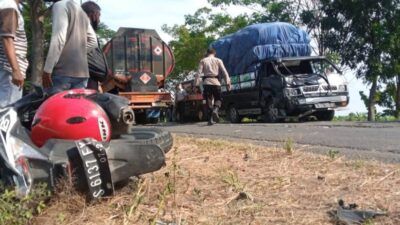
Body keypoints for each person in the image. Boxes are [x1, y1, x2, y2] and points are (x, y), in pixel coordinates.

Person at [42, 0, 97, 91]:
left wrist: (47, 69)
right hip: (82, 74)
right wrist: (78, 53)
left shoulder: (60, 5)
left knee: (56, 105)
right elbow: (93, 42)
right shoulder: (81, 11)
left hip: (62, 72)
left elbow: (59, 38)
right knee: (75, 105)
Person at [0, 0, 28, 107]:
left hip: (6, 68)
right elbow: (7, 38)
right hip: (9, 69)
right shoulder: (9, 5)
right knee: (8, 110)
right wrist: (15, 70)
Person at [195, 48, 231, 125]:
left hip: (207, 83)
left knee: (208, 101)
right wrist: (228, 82)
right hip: (216, 82)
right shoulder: (218, 60)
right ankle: (216, 110)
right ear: (214, 53)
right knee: (218, 98)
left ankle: (211, 119)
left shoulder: (203, 60)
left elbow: (198, 73)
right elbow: (224, 72)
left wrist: (196, 85)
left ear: (207, 53)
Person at [81, 0, 102, 90]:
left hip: (88, 77)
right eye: (98, 15)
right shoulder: (84, 29)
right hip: (85, 77)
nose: (99, 20)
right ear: (92, 14)